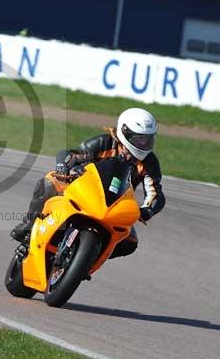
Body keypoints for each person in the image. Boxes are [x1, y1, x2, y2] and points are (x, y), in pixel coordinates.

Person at [9, 107, 165, 260]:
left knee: (129, 242)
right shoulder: (105, 143)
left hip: (113, 205)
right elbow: (71, 154)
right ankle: (28, 226)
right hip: (83, 189)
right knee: (50, 182)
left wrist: (147, 210)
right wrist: (63, 166)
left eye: (149, 139)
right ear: (125, 133)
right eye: (140, 139)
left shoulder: (149, 162)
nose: (145, 144)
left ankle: (87, 258)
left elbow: (155, 194)